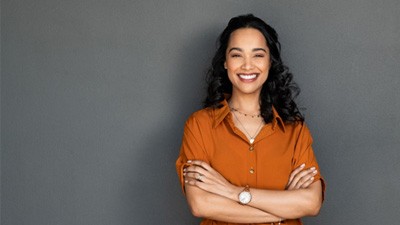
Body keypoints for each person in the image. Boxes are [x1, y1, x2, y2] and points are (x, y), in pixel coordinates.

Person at [176, 14, 325, 225]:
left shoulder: (295, 130)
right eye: (237, 55)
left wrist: (231, 192)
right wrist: (284, 209)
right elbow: (201, 205)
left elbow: (312, 202)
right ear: (226, 62)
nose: (247, 65)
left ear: (270, 62)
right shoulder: (199, 125)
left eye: (258, 55)